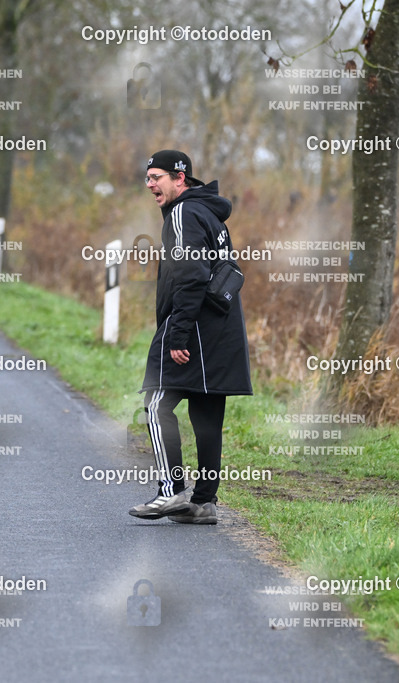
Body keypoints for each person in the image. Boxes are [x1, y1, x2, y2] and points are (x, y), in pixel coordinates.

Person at [130, 150, 252, 524]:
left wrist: (178, 334)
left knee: (157, 404)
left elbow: (192, 275)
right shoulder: (210, 214)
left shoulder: (183, 213)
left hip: (194, 327)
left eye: (156, 177)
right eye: (147, 177)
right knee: (206, 414)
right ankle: (203, 503)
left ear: (179, 178)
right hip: (222, 329)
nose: (149, 184)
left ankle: (170, 491)